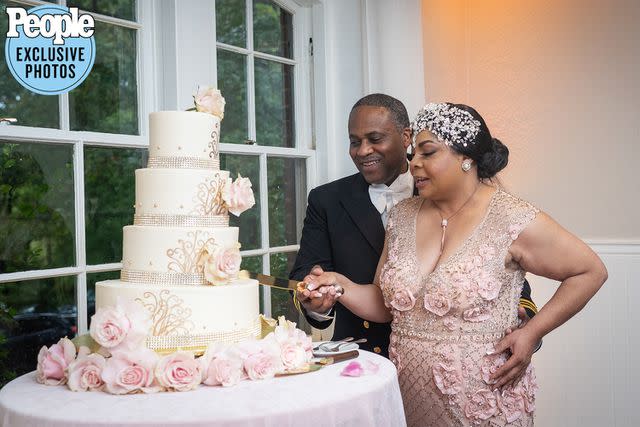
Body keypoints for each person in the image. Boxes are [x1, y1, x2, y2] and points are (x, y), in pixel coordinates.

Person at [304, 102, 608, 426]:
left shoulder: (511, 217)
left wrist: (532, 332)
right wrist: (341, 285)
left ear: (466, 158)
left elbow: (589, 271)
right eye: (413, 154)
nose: (414, 163)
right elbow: (384, 303)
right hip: (409, 400)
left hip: (484, 400)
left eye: (428, 152)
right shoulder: (403, 216)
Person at [290, 94, 537, 357]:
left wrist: (527, 322)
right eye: (354, 142)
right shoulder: (326, 200)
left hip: (455, 358)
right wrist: (317, 301)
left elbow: (503, 274)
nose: (362, 151)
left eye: (375, 139)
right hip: (362, 357)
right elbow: (306, 273)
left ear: (406, 137)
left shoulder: (449, 193)